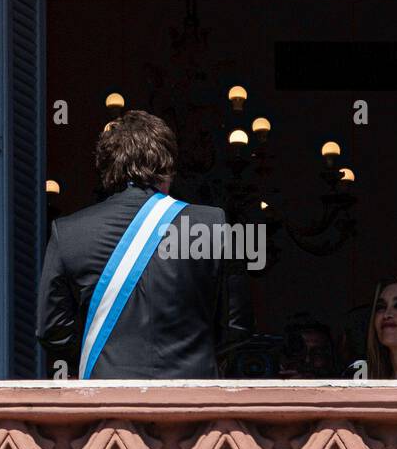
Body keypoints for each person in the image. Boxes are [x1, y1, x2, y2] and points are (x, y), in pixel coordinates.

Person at [36, 110, 251, 379]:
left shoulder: (68, 232)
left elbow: (52, 331)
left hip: (107, 402)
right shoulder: (212, 224)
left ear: (106, 169)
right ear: (168, 166)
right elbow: (236, 326)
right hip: (192, 401)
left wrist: (106, 352)